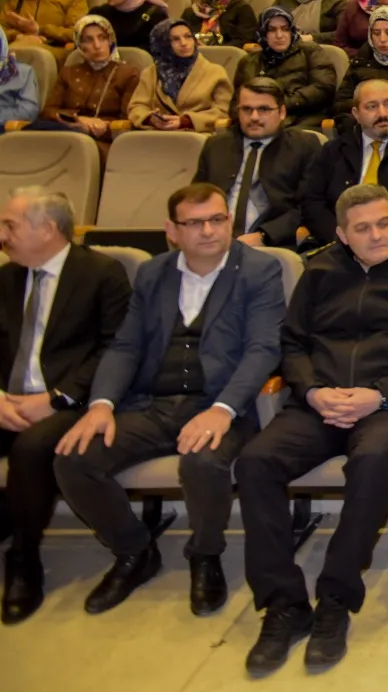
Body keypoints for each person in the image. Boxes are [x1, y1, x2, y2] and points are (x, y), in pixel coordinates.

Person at [235, 184, 388, 676]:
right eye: (363, 228)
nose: (377, 235)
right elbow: (292, 343)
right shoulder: (321, 270)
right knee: (254, 462)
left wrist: (382, 393)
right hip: (320, 404)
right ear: (342, 235)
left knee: (371, 462)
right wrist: (310, 391)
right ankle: (283, 603)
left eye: (384, 223)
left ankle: (335, 598)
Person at [52, 183, 283, 618]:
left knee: (203, 462)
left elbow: (263, 349)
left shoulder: (258, 271)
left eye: (217, 219)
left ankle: (205, 554)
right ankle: (134, 550)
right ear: (171, 230)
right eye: (195, 223)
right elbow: (125, 347)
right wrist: (101, 404)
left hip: (220, 403)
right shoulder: (154, 273)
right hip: (152, 404)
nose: (209, 231)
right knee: (73, 457)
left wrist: (222, 410)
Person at [0, 188, 130, 624]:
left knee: (32, 448)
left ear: (47, 229)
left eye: (10, 225)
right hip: (7, 399)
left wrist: (56, 399)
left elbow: (116, 350)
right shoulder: (6, 278)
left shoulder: (101, 274)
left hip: (70, 403)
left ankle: (23, 561)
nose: (2, 235)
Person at [303, 78, 388, 246]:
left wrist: (385, 236)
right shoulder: (333, 150)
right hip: (339, 245)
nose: (383, 113)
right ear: (356, 114)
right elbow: (313, 201)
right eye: (372, 107)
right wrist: (343, 238)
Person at [192, 78, 321, 246]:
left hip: (272, 244)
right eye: (246, 109)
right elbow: (195, 198)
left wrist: (264, 236)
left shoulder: (304, 146)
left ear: (282, 112)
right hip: (212, 241)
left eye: (264, 109)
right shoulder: (216, 145)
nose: (254, 117)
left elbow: (309, 206)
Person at [38, 15, 140, 150]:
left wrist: (105, 126)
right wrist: (77, 119)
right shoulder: (68, 73)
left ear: (111, 41)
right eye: (88, 40)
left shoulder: (128, 74)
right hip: (67, 132)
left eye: (102, 38)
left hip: (104, 142)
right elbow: (49, 111)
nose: (97, 46)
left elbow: (129, 120)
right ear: (80, 45)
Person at [235, 7, 337, 129]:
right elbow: (236, 105)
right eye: (272, 30)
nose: (279, 35)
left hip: (303, 120)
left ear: (292, 31)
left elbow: (323, 89)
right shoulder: (249, 62)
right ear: (263, 34)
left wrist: (279, 104)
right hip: (257, 121)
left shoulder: (310, 52)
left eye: (285, 29)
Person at [129, 19, 231, 131]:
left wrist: (185, 121)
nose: (184, 43)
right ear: (163, 44)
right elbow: (136, 108)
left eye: (188, 36)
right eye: (175, 39)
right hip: (158, 136)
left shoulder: (215, 72)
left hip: (197, 137)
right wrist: (150, 118)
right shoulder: (151, 73)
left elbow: (224, 111)